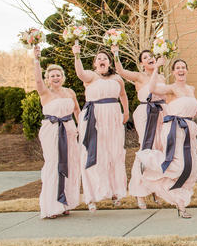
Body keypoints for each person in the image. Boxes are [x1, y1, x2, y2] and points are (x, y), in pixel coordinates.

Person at [136, 57, 197, 218]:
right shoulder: (170, 88)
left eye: (183, 67)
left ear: (186, 70)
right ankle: (151, 162)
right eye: (177, 67)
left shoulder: (191, 88)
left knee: (192, 167)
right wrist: (157, 67)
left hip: (189, 129)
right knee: (177, 165)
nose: (180, 70)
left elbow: (195, 108)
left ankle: (181, 204)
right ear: (173, 72)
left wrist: (195, 110)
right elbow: (151, 88)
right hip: (174, 129)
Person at [73, 42, 129, 212]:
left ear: (109, 63)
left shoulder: (117, 78)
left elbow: (123, 95)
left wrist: (126, 111)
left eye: (105, 58)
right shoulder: (91, 76)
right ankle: (92, 197)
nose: (102, 60)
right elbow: (80, 73)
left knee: (114, 154)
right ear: (95, 64)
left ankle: (115, 192)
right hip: (94, 119)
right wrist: (76, 55)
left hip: (113, 118)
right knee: (93, 154)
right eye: (99, 59)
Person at [111, 45, 166, 210]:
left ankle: (156, 190)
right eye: (145, 57)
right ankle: (140, 193)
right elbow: (120, 70)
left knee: (160, 150)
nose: (150, 57)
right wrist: (116, 54)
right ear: (142, 64)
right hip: (146, 114)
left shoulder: (162, 77)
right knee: (146, 150)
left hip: (162, 113)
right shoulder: (139, 76)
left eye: (151, 55)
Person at [33, 46, 81, 219]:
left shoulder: (70, 92)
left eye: (58, 75)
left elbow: (77, 111)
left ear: (62, 77)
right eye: (52, 75)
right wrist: (36, 59)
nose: (55, 77)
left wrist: (81, 127)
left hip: (68, 130)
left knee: (69, 165)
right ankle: (52, 205)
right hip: (52, 131)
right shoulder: (45, 92)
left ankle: (64, 202)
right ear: (48, 79)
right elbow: (37, 81)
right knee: (54, 164)